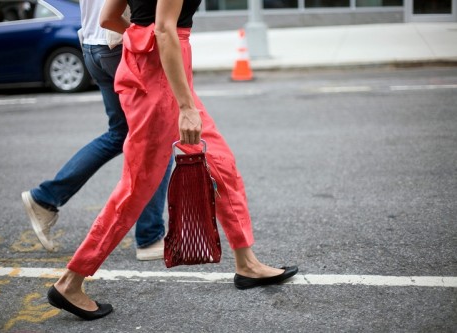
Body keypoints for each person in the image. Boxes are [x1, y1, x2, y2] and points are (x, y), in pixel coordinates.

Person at [46, 0, 299, 321]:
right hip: (159, 72)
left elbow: (110, 17)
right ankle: (71, 282)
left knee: (221, 164)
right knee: (137, 186)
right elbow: (164, 28)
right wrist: (185, 104)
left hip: (160, 64)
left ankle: (246, 263)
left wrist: (143, 41)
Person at [21, 0, 173, 260]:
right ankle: (149, 236)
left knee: (119, 134)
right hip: (117, 46)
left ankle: (46, 197)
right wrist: (145, 39)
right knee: (157, 140)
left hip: (93, 47)